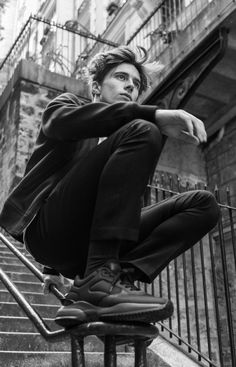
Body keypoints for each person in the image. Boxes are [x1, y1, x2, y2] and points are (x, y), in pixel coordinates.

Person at [0, 46, 220, 327]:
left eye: (136, 84)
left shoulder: (133, 141)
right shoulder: (67, 106)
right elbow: (62, 129)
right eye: (121, 77)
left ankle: (111, 279)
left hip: (90, 252)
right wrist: (50, 266)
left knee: (204, 204)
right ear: (96, 86)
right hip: (49, 233)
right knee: (142, 129)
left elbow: (122, 208)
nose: (130, 85)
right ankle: (98, 281)